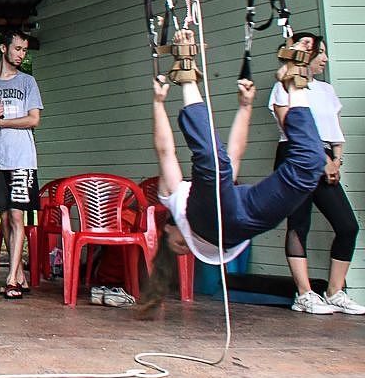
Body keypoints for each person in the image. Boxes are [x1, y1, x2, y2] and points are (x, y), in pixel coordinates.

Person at [140, 31, 327, 316]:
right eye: (186, 248)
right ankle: (296, 83)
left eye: (178, 243)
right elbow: (234, 156)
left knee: (220, 164)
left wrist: (158, 104)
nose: (185, 244)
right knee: (308, 169)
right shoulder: (199, 203)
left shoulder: (173, 199)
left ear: (167, 228)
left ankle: (189, 75)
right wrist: (246, 107)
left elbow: (166, 150)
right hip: (244, 222)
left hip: (218, 217)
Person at [268, 33, 363, 315]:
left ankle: (335, 292)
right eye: (320, 52)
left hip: (327, 159)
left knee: (348, 226)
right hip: (296, 156)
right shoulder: (283, 87)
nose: (325, 58)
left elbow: (336, 130)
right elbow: (292, 128)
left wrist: (336, 159)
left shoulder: (326, 90)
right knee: (299, 224)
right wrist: (322, 160)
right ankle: (304, 294)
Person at [0, 30, 42, 299]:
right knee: (4, 217)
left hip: (22, 157)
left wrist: (5, 123)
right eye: (17, 49)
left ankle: (12, 278)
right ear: (4, 48)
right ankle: (19, 273)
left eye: (24, 50)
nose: (21, 54)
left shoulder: (28, 82)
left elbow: (34, 119)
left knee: (17, 215)